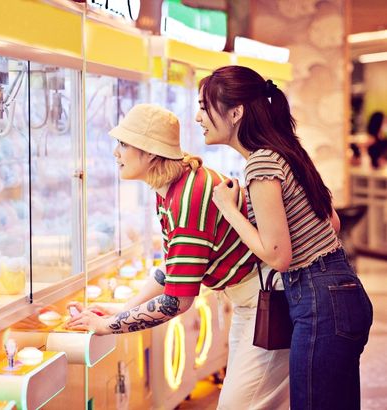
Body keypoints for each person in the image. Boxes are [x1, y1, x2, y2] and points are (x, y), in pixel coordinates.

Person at [66, 103, 290, 409]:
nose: (116, 153)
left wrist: (110, 326)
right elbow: (174, 267)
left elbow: (177, 301)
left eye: (123, 144)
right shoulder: (173, 185)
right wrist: (121, 310)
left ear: (149, 152)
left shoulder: (188, 197)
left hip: (267, 304)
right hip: (250, 302)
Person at [195, 65, 373, 410]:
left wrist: (228, 209)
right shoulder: (284, 150)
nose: (198, 116)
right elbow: (331, 223)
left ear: (235, 113)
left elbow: (279, 257)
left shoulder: (261, 164)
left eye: (204, 106)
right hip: (342, 291)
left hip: (319, 299)